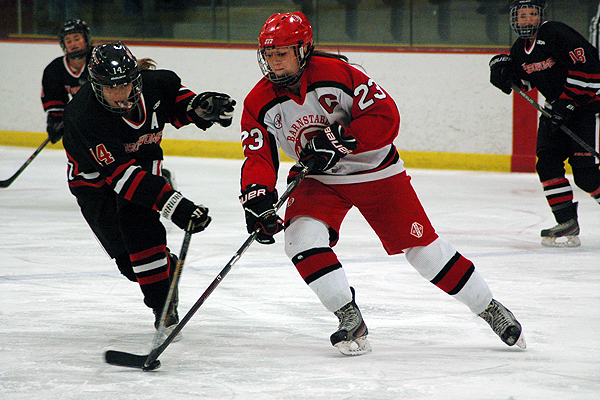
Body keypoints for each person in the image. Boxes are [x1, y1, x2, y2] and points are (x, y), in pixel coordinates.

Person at [239, 11, 525, 356]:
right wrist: (256, 196)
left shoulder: (339, 74)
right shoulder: (259, 101)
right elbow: (258, 156)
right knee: (300, 238)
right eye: (268, 55)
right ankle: (349, 318)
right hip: (319, 179)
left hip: (376, 171)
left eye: (281, 54)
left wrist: (337, 140)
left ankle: (490, 308)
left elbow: (386, 117)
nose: (274, 63)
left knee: (424, 253)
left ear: (303, 49)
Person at [63, 42, 235, 332]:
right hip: (93, 183)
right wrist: (176, 206)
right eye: (111, 88)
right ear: (95, 85)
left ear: (136, 79)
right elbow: (120, 177)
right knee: (131, 267)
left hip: (143, 165)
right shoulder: (83, 115)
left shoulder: (155, 84)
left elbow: (177, 104)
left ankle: (162, 307)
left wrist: (201, 107)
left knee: (143, 238)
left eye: (125, 85)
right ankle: (170, 265)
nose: (120, 94)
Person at [489, 0, 600, 247]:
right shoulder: (520, 49)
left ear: (540, 16)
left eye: (532, 14)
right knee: (547, 164)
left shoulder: (556, 33)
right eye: (522, 15)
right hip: (554, 111)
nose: (527, 19)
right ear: (514, 20)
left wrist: (568, 101)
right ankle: (567, 221)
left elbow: (589, 66)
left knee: (585, 175)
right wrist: (502, 69)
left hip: (582, 106)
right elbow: (526, 82)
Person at [41, 19, 92, 145]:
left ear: (86, 39)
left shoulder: (101, 58)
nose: (73, 44)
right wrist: (55, 120)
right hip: (85, 124)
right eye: (68, 41)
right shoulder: (55, 69)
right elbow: (54, 97)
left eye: (77, 38)